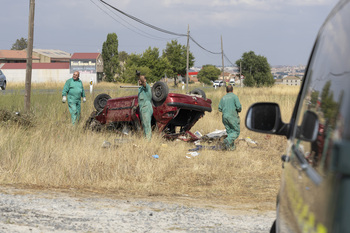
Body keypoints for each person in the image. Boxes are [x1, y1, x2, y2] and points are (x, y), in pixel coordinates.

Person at [218, 85, 242, 150]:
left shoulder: (223, 98)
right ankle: (227, 140)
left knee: (230, 132)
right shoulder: (234, 97)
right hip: (232, 117)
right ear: (232, 90)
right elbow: (239, 108)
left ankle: (231, 148)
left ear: (226, 90)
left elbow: (219, 109)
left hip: (224, 117)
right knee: (236, 132)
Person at [137, 73, 153, 140]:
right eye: (139, 79)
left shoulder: (147, 87)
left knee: (147, 125)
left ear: (145, 80)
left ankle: (148, 141)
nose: (140, 80)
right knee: (143, 125)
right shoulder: (140, 89)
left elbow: (143, 82)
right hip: (142, 109)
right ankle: (145, 140)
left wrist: (139, 76)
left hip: (146, 108)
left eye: (142, 79)